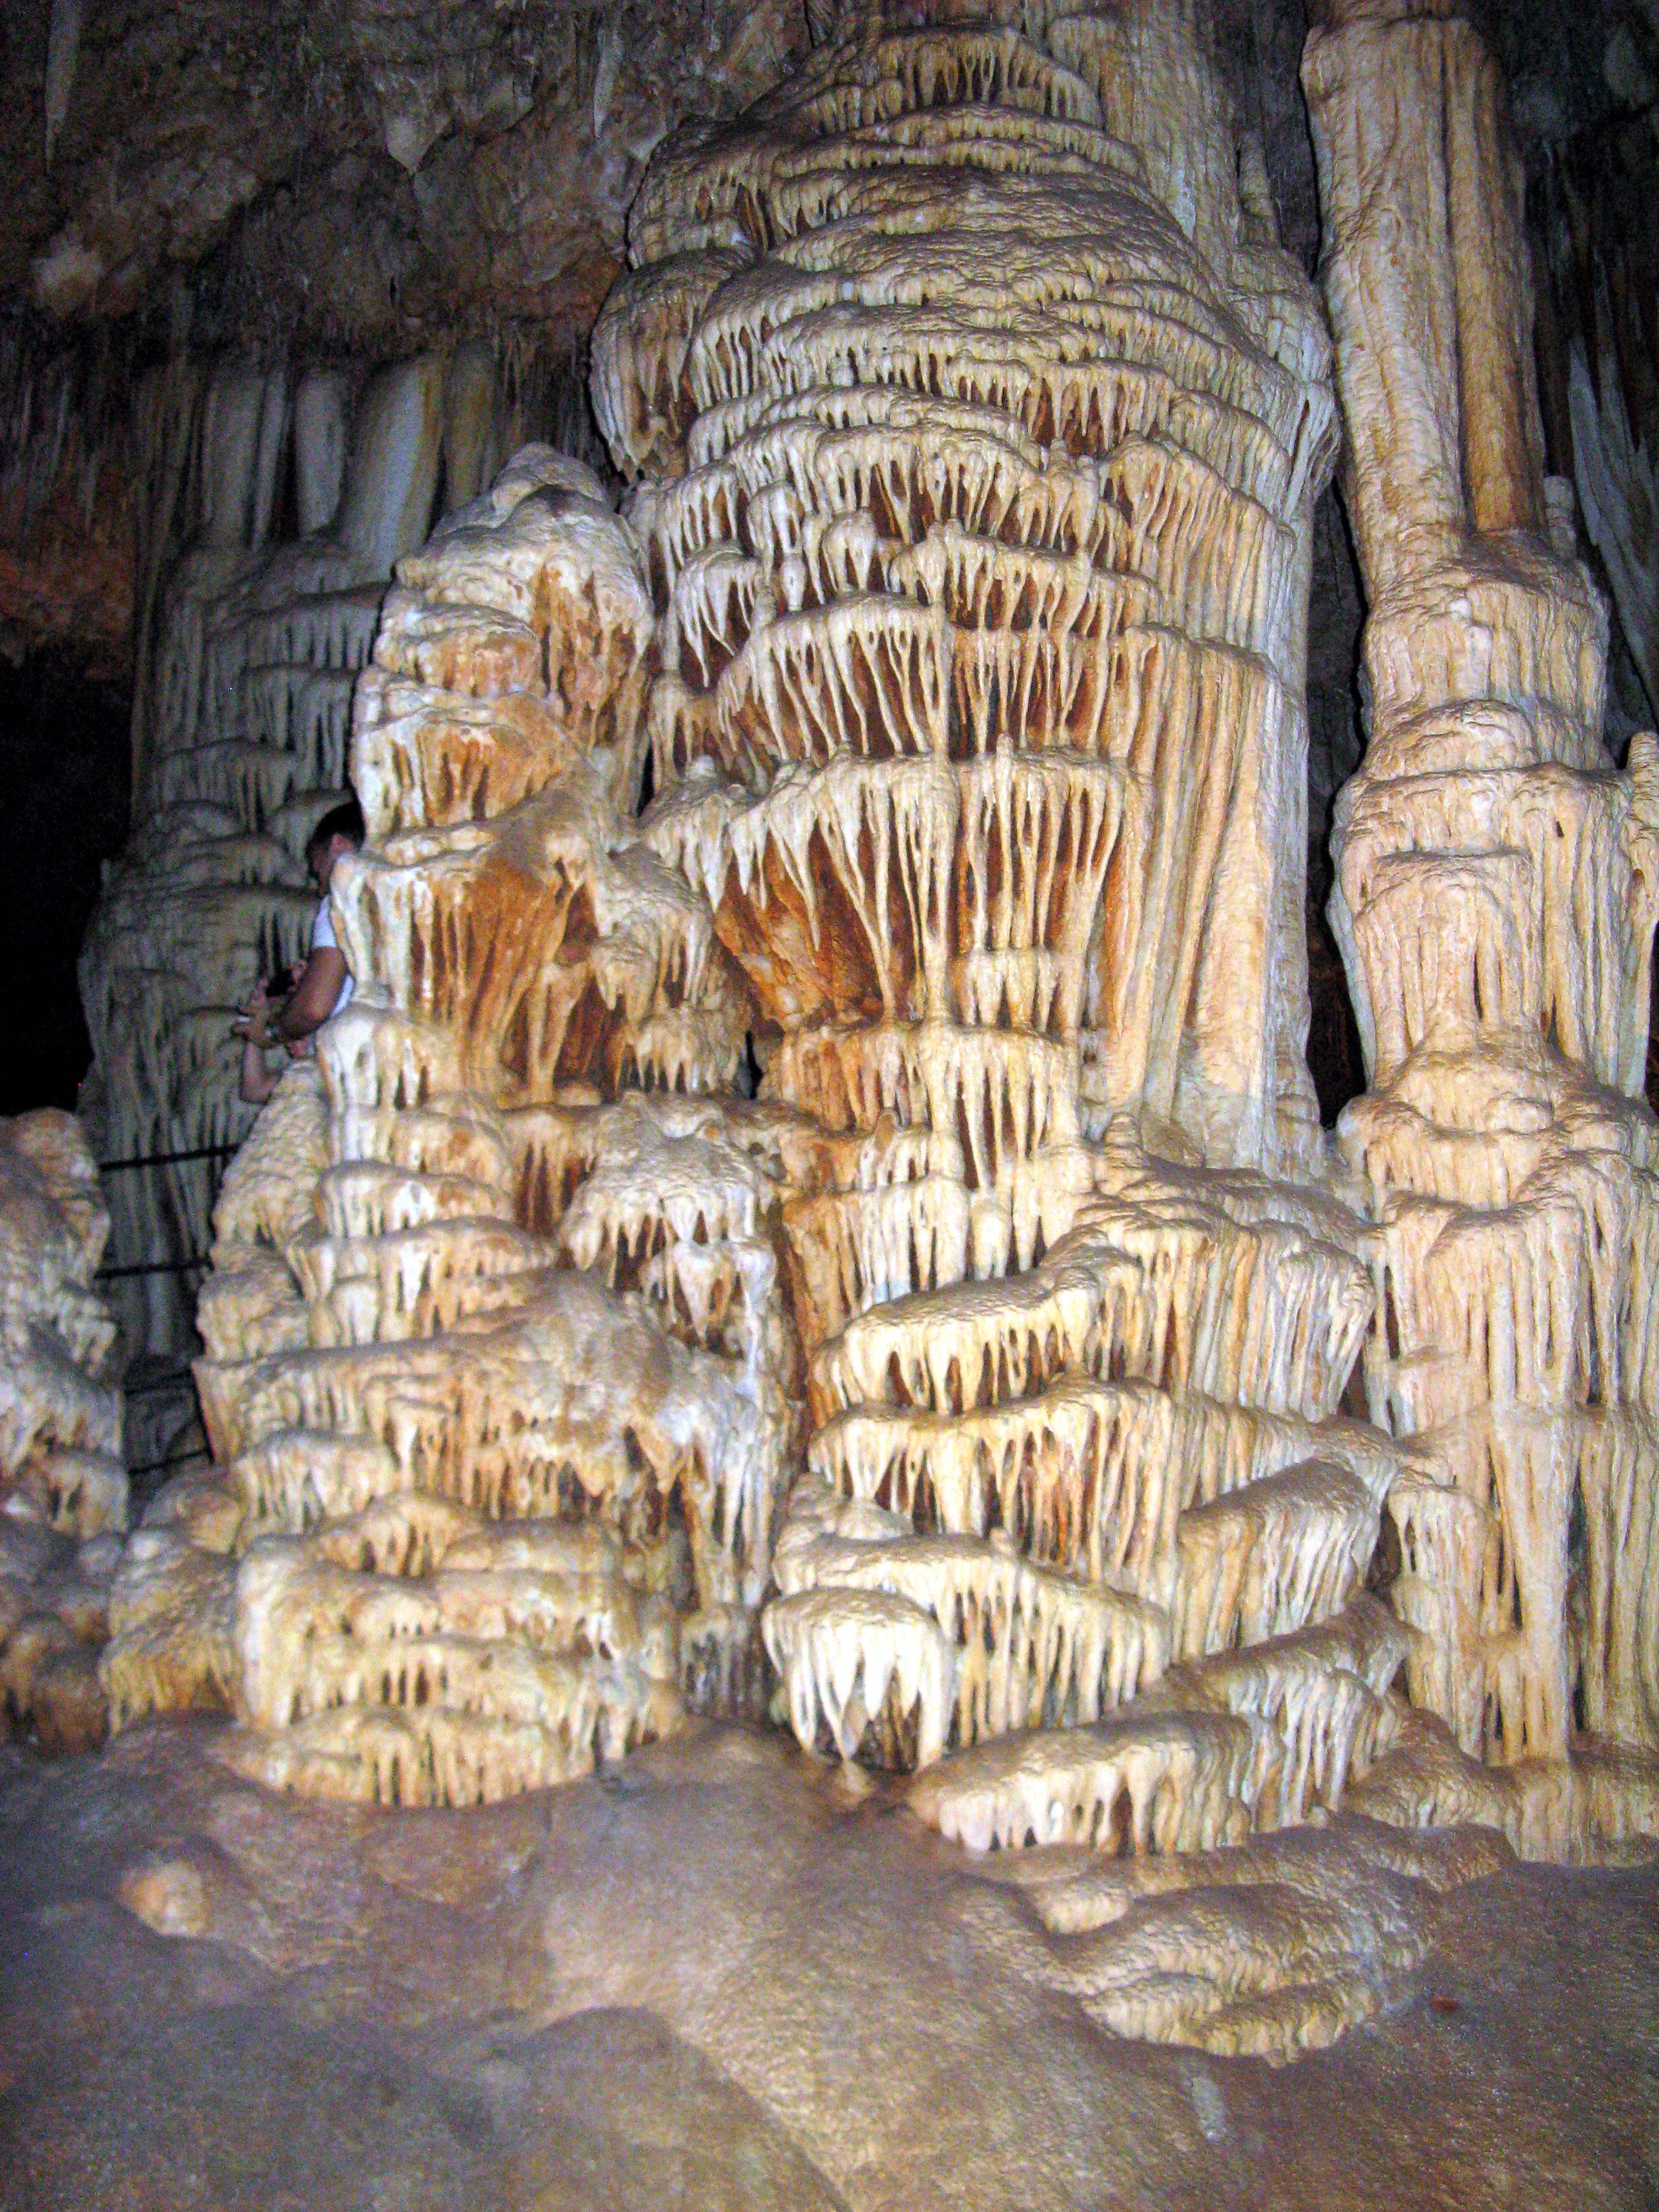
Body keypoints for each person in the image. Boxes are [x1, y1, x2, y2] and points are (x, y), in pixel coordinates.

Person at [234, 797, 365, 1102]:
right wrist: (268, 1014)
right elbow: (253, 1089)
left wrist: (274, 1033)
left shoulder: (340, 901)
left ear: (338, 846)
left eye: (318, 869)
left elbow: (313, 1008)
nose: (319, 888)